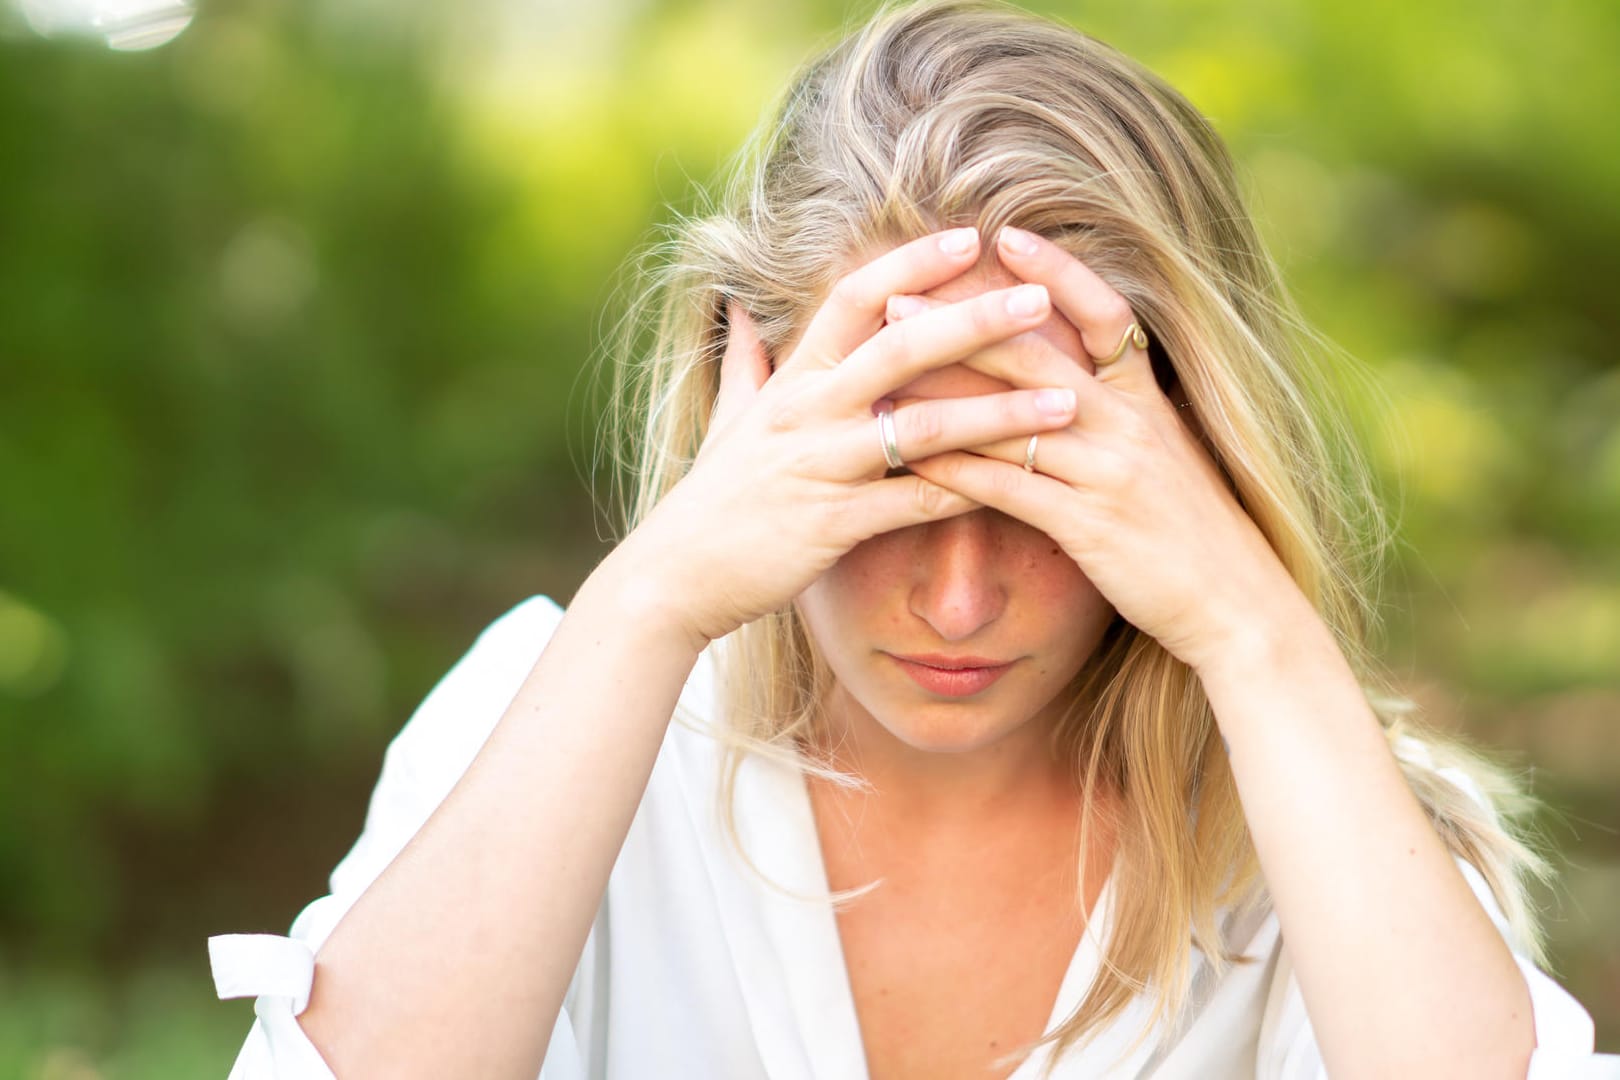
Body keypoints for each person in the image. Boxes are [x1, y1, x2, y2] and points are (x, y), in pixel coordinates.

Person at [208, 2, 1615, 1077]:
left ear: (1187, 452)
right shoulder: (555, 710)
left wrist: (1255, 632)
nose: (956, 601)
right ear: (737, 396)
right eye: (886, 482)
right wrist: (647, 603)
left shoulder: (1325, 823)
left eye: (1045, 495)